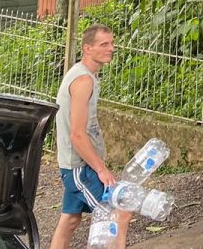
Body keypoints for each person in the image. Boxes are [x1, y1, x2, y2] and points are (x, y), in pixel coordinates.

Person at [50, 24, 130, 249]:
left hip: (75, 165)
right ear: (88, 48)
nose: (111, 48)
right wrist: (101, 169)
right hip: (79, 167)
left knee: (70, 220)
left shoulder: (83, 74)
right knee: (119, 211)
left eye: (112, 43)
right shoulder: (84, 81)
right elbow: (77, 134)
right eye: (104, 44)